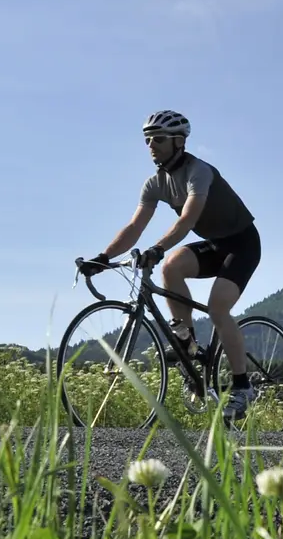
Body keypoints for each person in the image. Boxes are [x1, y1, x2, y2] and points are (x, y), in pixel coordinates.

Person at [86, 110, 263, 423]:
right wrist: (102, 257)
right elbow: (134, 227)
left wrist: (157, 248)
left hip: (242, 244)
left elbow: (187, 220)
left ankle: (242, 386)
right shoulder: (155, 184)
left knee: (218, 308)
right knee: (171, 267)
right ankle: (187, 342)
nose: (151, 145)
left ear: (178, 141)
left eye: (158, 139)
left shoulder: (199, 172)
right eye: (147, 140)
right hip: (214, 244)